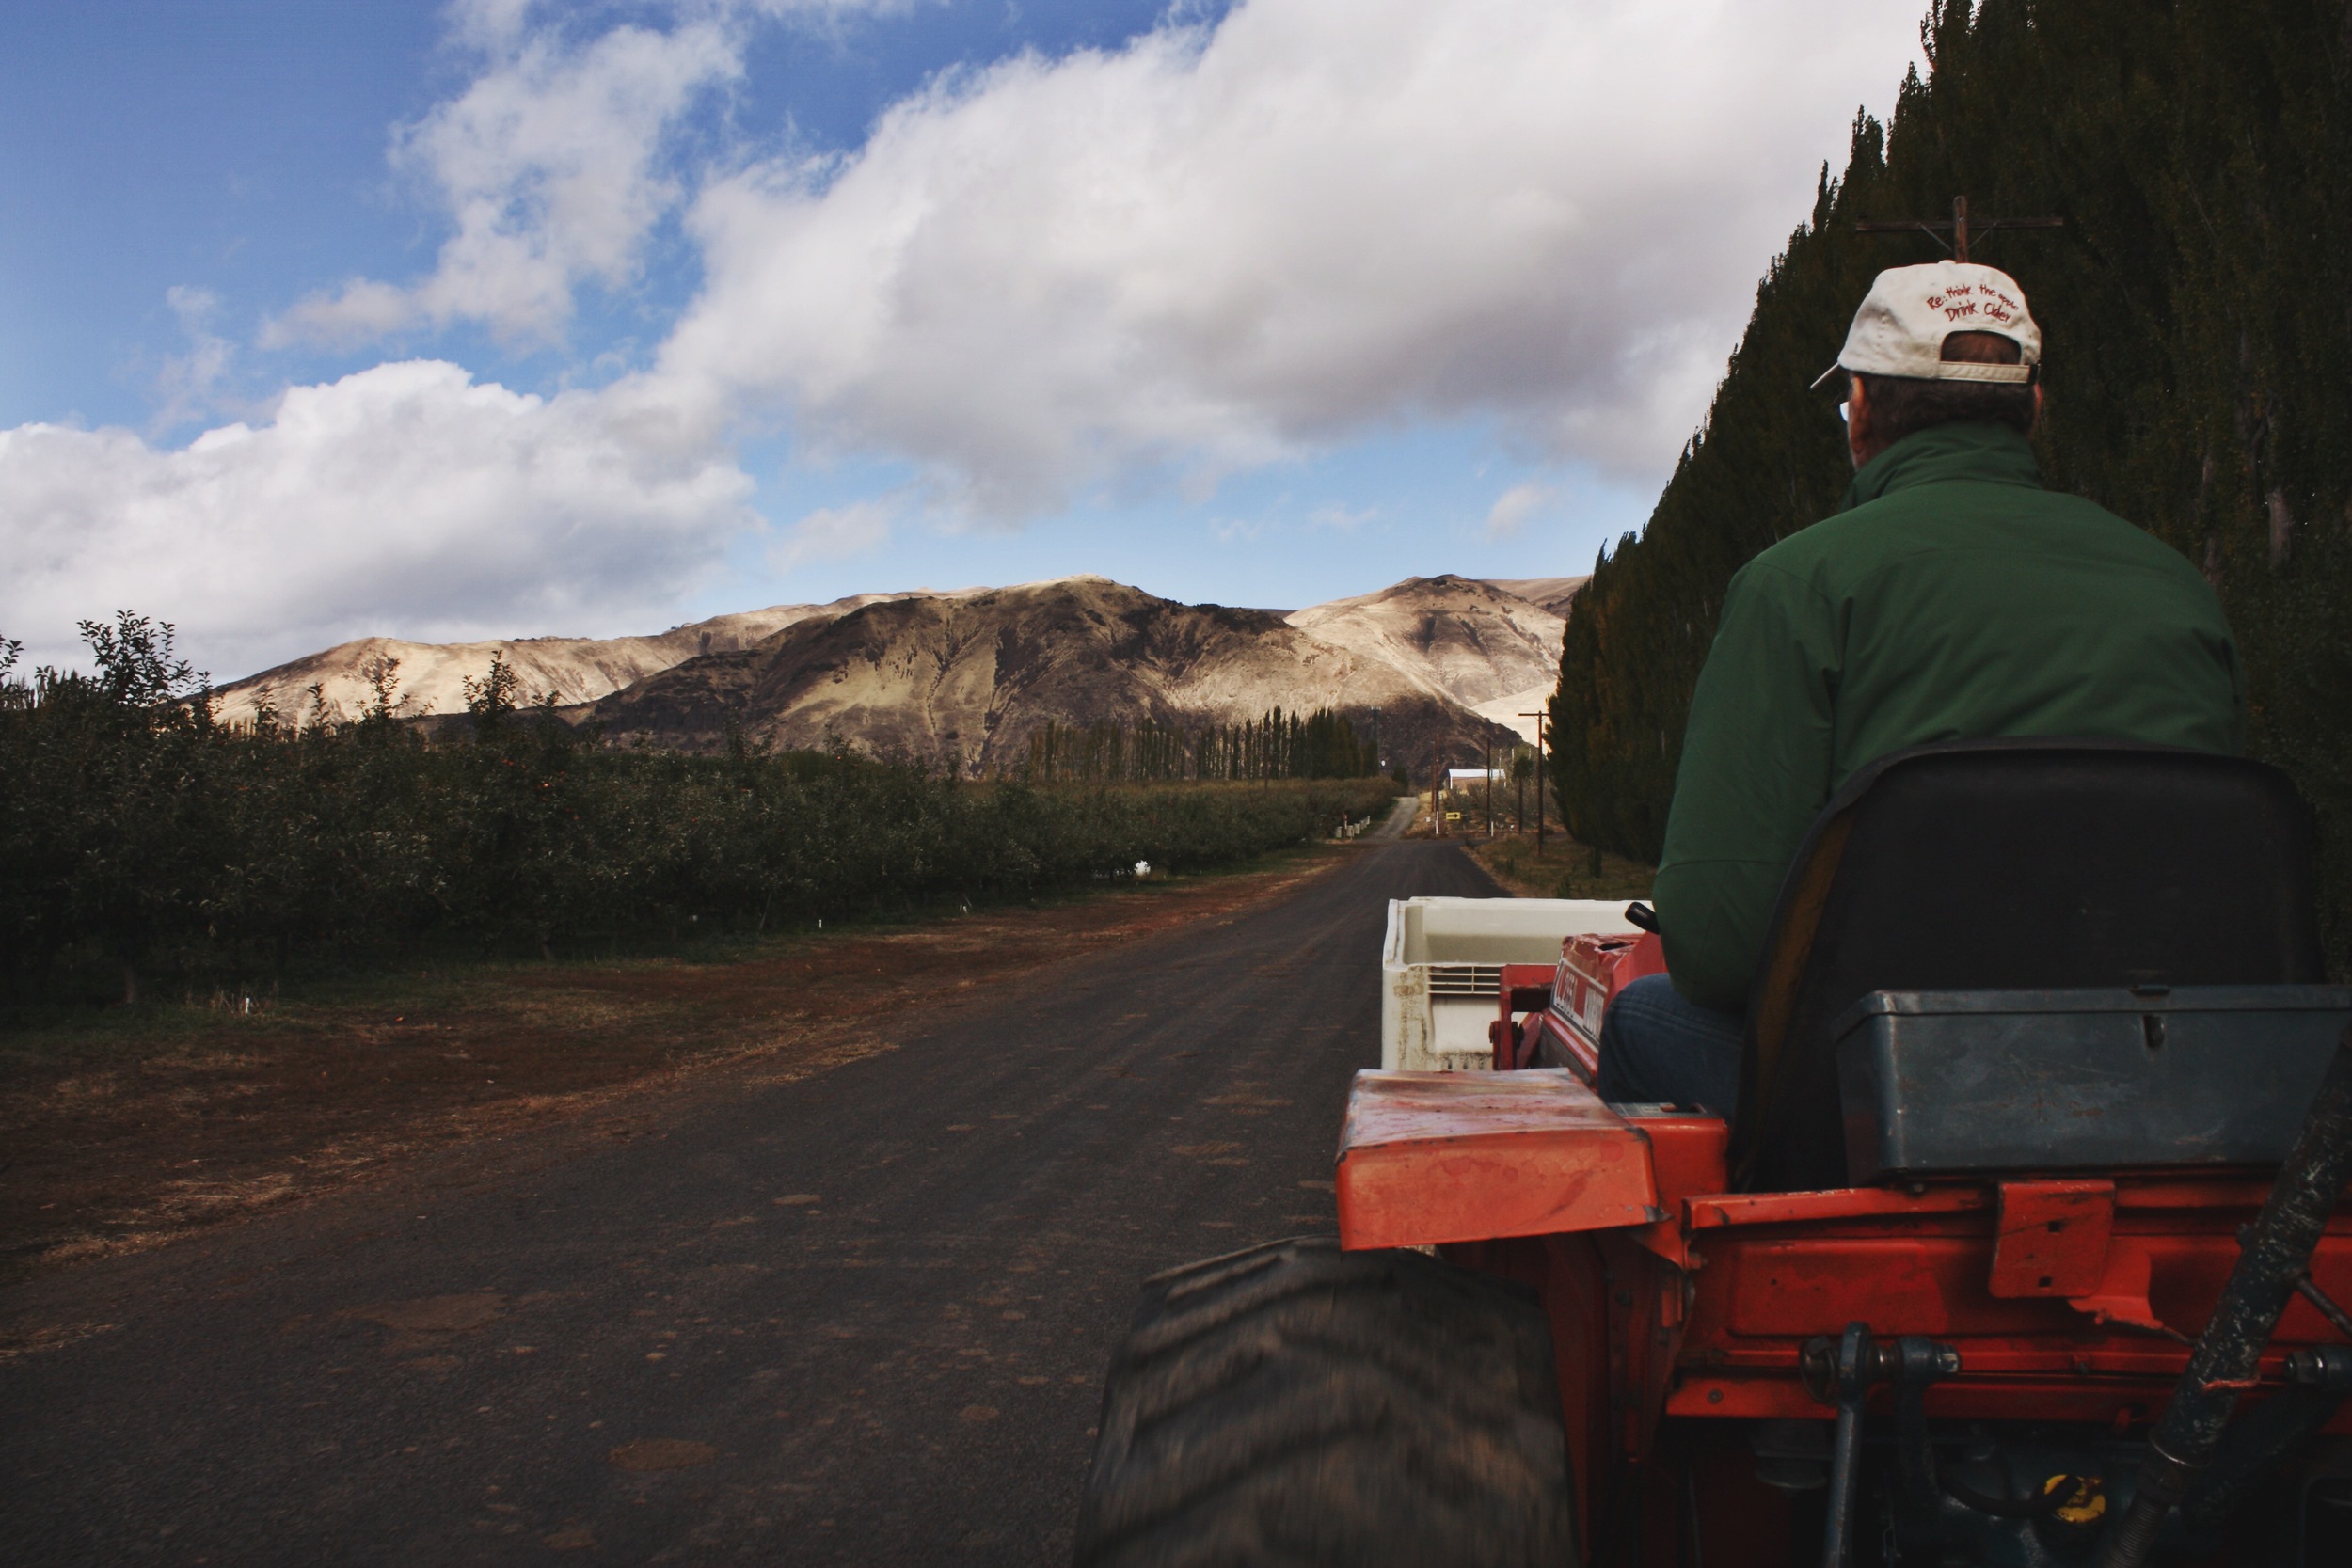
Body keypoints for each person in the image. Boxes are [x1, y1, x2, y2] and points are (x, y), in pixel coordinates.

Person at [1596, 261, 2244, 1113]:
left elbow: (1719, 949)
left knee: (1641, 1015)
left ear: (1860, 410)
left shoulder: (1798, 584)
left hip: (1899, 1102)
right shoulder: (2179, 588)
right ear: (2034, 410)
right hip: (2162, 1086)